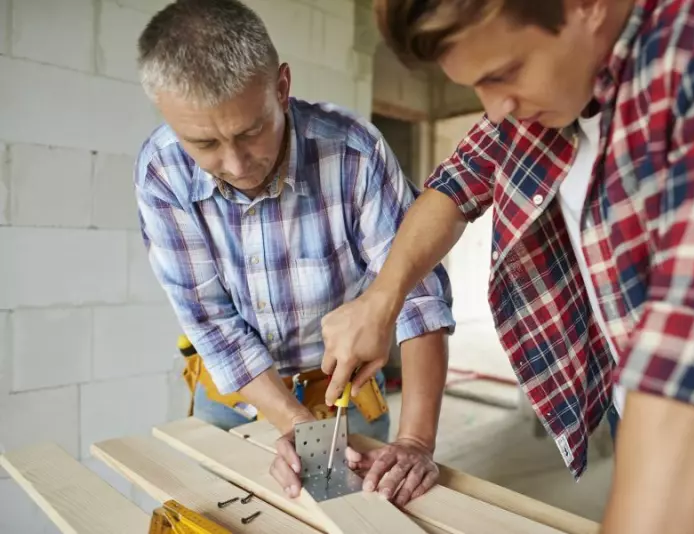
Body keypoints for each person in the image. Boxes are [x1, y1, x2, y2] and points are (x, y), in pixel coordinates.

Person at [320, 0, 694, 532]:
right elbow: (453, 187)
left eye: (504, 73)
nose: (496, 108)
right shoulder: (550, 85)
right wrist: (380, 302)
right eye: (478, 85)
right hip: (639, 403)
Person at [132, 0, 455, 506]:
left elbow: (417, 297)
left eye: (250, 131)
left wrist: (415, 442)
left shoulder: (354, 152)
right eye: (205, 144)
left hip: (348, 399)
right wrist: (295, 424)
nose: (236, 163)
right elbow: (212, 323)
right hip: (236, 403)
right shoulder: (162, 173)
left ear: (282, 87)